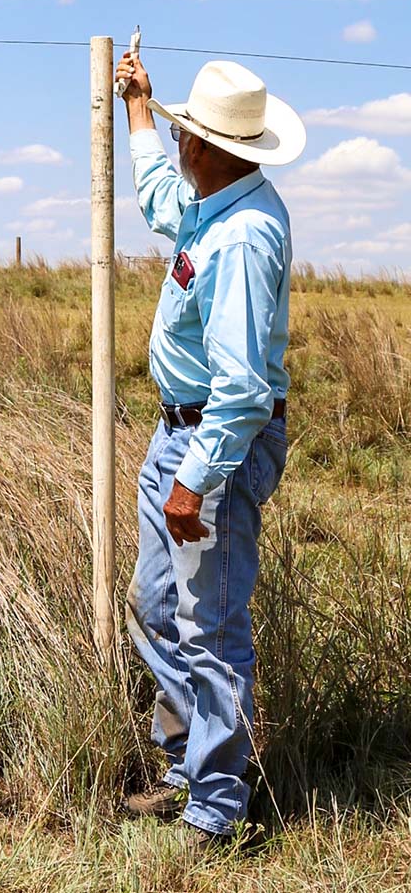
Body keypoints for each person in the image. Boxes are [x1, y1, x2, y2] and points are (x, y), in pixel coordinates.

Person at [115, 53, 306, 849]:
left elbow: (242, 392)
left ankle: (218, 808)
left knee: (210, 625)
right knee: (157, 606)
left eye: (186, 132)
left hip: (216, 447)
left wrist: (194, 482)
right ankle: (190, 765)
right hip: (180, 433)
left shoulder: (245, 238)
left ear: (211, 147)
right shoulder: (210, 203)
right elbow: (160, 199)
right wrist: (139, 110)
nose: (180, 142)